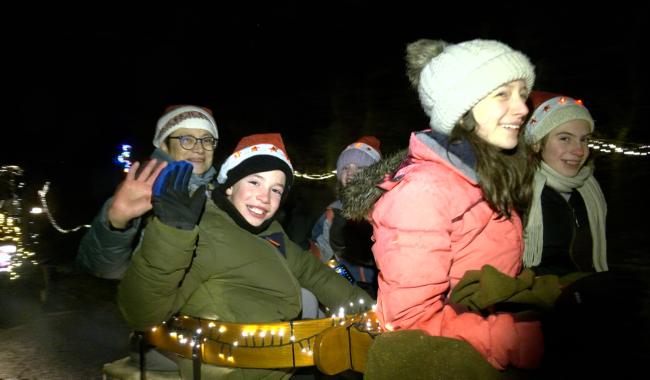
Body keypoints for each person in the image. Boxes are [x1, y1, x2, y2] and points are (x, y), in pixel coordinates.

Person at [342, 38, 543, 373]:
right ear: (461, 106)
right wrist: (507, 339)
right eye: (502, 94)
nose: (522, 107)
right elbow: (408, 320)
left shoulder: (489, 177)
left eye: (522, 93)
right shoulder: (424, 191)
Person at [117, 133, 373, 379]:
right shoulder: (204, 232)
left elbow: (316, 275)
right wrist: (172, 234)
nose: (264, 197)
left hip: (281, 363)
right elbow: (141, 313)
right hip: (234, 370)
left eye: (276, 190)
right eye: (254, 182)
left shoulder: (271, 232)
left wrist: (373, 315)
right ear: (229, 186)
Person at [76, 105, 219, 280]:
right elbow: (102, 270)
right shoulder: (142, 191)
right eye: (187, 139)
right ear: (164, 146)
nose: (199, 149)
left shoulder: (224, 191)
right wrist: (116, 224)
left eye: (207, 140)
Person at [523, 90, 607, 276]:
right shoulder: (517, 194)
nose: (579, 150)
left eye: (584, 140)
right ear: (537, 143)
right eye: (565, 138)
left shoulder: (588, 191)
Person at [310, 136, 382, 297]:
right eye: (345, 168)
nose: (350, 174)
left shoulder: (390, 212)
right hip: (349, 300)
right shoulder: (331, 216)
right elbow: (315, 265)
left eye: (360, 169)